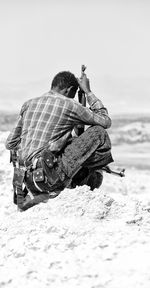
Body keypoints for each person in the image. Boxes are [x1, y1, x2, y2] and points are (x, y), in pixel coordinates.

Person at [5, 70, 113, 211]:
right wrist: (87, 91)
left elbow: (10, 143)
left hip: (27, 180)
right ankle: (89, 172)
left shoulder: (29, 104)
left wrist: (38, 147)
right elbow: (105, 121)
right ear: (69, 90)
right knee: (99, 133)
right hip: (49, 179)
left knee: (70, 142)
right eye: (73, 95)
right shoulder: (70, 105)